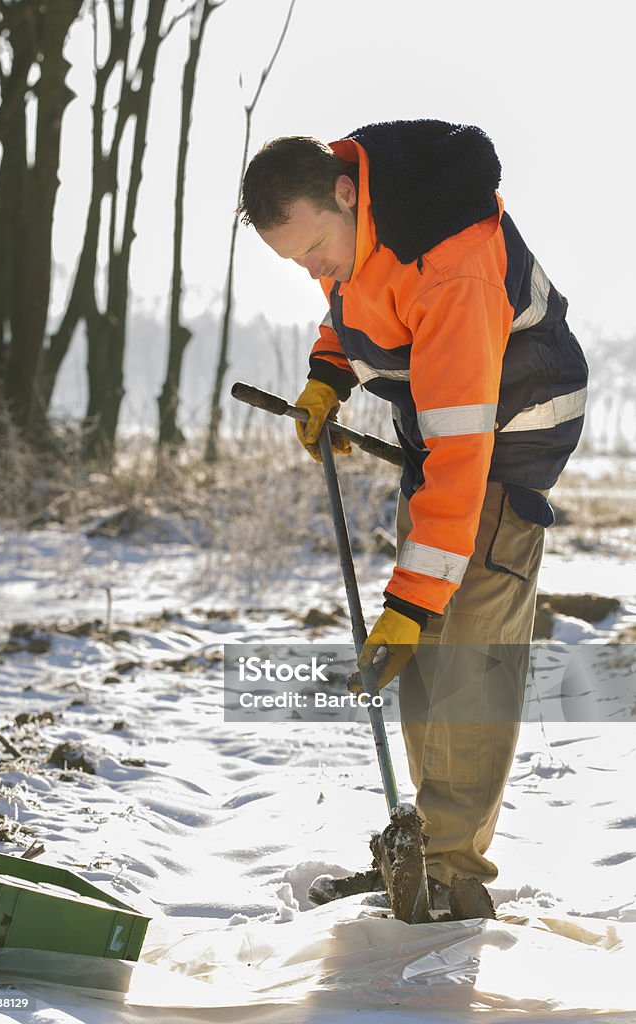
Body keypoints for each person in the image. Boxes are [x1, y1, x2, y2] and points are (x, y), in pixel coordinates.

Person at [239, 119, 588, 903]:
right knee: (422, 651)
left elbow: (464, 451)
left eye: (312, 250)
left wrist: (411, 600)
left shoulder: (452, 265)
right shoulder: (358, 227)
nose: (312, 270)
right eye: (294, 261)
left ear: (343, 192)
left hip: (507, 433)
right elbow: (350, 303)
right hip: (440, 434)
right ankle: (420, 852)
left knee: (466, 649)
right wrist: (328, 373)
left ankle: (452, 876)